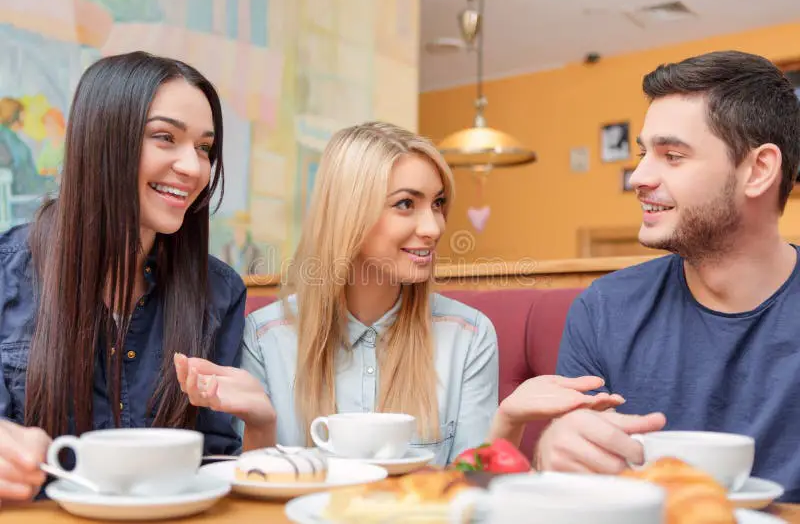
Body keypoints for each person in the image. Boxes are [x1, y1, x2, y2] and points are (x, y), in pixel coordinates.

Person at [176, 121, 623, 464]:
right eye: (406, 204)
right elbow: (259, 496)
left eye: (439, 203)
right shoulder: (264, 335)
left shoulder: (469, 336)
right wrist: (262, 423)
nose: (433, 228)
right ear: (348, 213)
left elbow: (472, 495)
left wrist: (507, 422)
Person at [536, 50, 800, 502]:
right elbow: (575, 485)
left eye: (672, 155)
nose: (638, 176)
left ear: (759, 170)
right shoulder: (604, 310)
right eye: (643, 153)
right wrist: (552, 454)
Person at [0, 51, 251, 502]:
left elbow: (214, 465)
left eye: (204, 148)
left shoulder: (220, 293)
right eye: (164, 137)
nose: (194, 168)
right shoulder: (6, 275)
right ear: (102, 140)